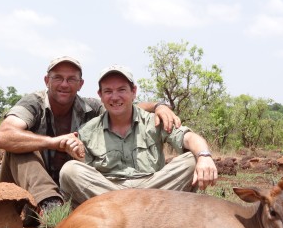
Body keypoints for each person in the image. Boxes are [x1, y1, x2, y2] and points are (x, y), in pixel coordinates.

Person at [0, 57, 180, 220]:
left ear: (80, 84)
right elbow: (2, 136)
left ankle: (65, 209)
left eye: (71, 79)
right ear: (46, 80)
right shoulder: (33, 103)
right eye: (58, 77)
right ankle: (49, 207)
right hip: (23, 190)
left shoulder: (90, 108)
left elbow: (124, 104)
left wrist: (159, 106)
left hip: (67, 191)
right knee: (22, 146)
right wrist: (54, 142)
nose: (64, 84)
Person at [60, 64, 218, 208]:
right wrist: (74, 152)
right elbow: (87, 173)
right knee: (69, 170)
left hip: (153, 188)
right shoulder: (87, 130)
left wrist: (204, 156)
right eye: (108, 91)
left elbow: (189, 137)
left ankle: (123, 211)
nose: (115, 97)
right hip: (109, 191)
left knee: (192, 159)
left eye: (121, 90)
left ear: (133, 92)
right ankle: (141, 211)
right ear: (100, 95)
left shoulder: (154, 121)